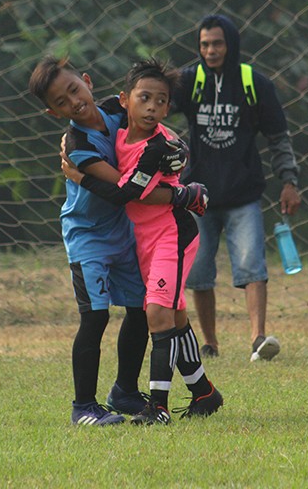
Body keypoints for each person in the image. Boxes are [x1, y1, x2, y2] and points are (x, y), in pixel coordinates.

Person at [61, 58, 222, 426]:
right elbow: (95, 116)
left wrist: (79, 177)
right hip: (135, 239)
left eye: (161, 101)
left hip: (171, 234)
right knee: (174, 315)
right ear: (125, 101)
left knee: (154, 313)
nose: (151, 106)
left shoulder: (157, 146)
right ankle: (203, 393)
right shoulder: (108, 133)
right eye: (144, 98)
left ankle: (158, 407)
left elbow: (127, 193)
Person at [29, 57, 187, 427]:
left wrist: (175, 148)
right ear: (55, 112)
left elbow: (154, 123)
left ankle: (125, 392)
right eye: (63, 101)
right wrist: (181, 194)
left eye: (74, 89)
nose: (74, 101)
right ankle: (83, 407)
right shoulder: (77, 142)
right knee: (95, 316)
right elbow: (124, 187)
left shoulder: (119, 108)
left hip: (124, 231)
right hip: (88, 239)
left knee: (138, 310)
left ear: (86, 81)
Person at [171, 14, 301, 362]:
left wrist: (289, 182)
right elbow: (151, 110)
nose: (210, 51)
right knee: (197, 271)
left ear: (231, 45)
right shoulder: (188, 81)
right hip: (198, 196)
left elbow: (278, 138)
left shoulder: (253, 83)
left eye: (217, 43)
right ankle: (210, 343)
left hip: (243, 195)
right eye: (204, 45)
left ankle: (258, 338)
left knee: (251, 265)